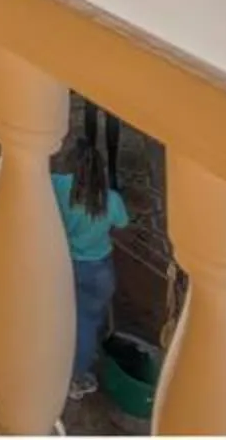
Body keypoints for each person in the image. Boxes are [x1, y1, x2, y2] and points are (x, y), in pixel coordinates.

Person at [55, 136, 132, 402]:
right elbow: (122, 229)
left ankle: (56, 364)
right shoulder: (111, 200)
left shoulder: (58, 186)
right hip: (98, 270)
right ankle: (77, 378)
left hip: (64, 264)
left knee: (63, 318)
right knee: (88, 324)